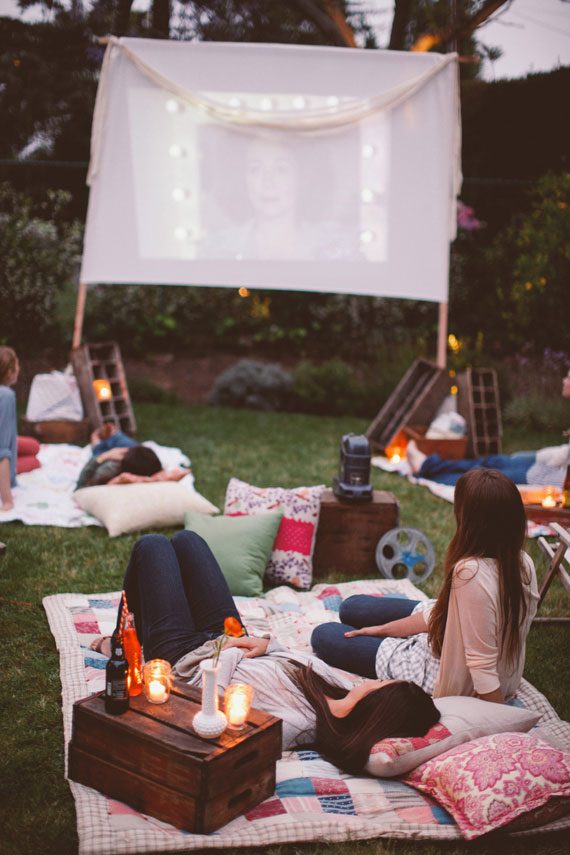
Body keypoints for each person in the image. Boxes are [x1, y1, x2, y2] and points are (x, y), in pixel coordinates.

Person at [96, 531, 440, 775]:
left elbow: (211, 714)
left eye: (385, 686)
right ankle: (136, 630)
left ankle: (123, 640)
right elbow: (289, 658)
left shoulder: (298, 728)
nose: (380, 681)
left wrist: (228, 655)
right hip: (231, 635)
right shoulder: (340, 687)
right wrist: (265, 645)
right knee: (189, 541)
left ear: (380, 707)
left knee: (152, 546)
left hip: (186, 656)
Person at [312, 468, 539, 704]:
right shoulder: (522, 561)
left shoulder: (470, 574)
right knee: (351, 607)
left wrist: (499, 719)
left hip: (444, 674)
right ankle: (386, 635)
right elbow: (448, 615)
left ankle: (394, 649)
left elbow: (481, 668)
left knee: (323, 635)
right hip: (454, 638)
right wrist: (384, 629)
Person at [406, 367, 570, 487]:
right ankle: (429, 465)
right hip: (550, 459)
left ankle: (427, 467)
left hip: (551, 477)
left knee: (486, 479)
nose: (564, 380)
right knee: (493, 461)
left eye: (568, 377)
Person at [75, 443, 162, 489]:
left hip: (102, 461)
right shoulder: (149, 468)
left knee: (103, 446)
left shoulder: (110, 468)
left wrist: (103, 457)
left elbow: (81, 487)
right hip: (129, 461)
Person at [0, 346, 19, 511]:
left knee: (32, 447)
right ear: (10, 371)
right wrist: (7, 500)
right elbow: (2, 450)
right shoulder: (6, 395)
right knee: (33, 455)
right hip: (3, 461)